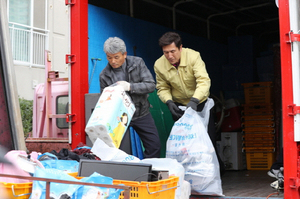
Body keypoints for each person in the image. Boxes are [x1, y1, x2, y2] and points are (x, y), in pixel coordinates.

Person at [154, 31, 225, 174]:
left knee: (207, 142)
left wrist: (194, 101)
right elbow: (162, 88)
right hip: (179, 107)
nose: (169, 56)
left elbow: (204, 81)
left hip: (200, 103)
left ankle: (215, 175)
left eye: (173, 51)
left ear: (180, 48)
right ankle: (192, 176)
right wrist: (169, 102)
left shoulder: (193, 56)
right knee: (186, 144)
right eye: (165, 52)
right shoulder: (159, 64)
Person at [99, 37, 161, 158]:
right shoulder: (104, 75)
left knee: (154, 145)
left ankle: (149, 173)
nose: (113, 61)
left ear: (125, 54)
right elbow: (105, 101)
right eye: (109, 57)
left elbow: (151, 86)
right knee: (118, 151)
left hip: (141, 112)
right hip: (119, 118)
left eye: (116, 57)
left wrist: (130, 87)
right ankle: (125, 175)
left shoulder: (138, 63)